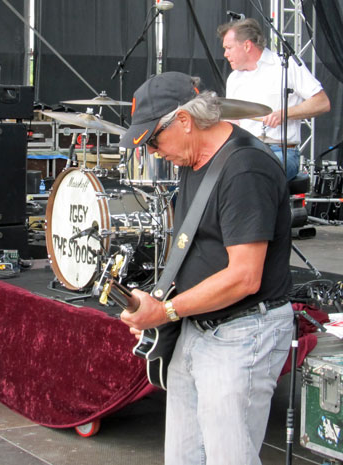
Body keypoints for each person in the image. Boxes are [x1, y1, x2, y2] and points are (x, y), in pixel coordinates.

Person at [118, 71, 294, 464]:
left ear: (183, 121)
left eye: (153, 140)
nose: (152, 152)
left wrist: (164, 311)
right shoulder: (194, 158)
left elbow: (244, 277)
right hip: (198, 325)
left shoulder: (245, 169)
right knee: (183, 455)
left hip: (243, 333)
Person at [217, 18, 330, 181]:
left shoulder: (285, 65)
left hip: (283, 151)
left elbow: (322, 102)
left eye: (228, 48)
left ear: (247, 45)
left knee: (252, 172)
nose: (225, 54)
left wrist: (283, 114)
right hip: (245, 149)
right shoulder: (234, 78)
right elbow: (234, 122)